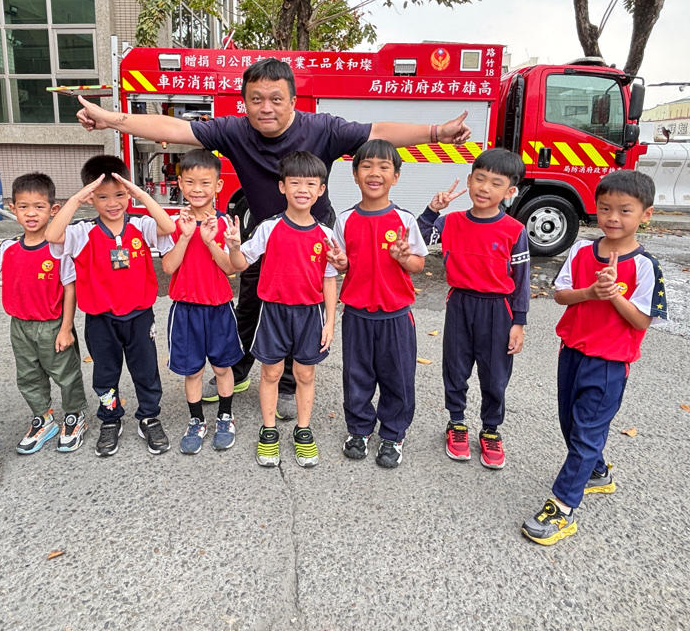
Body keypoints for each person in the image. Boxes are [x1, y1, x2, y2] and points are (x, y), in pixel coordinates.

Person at [74, 58, 471, 421]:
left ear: (293, 100)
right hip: (266, 232)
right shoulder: (235, 131)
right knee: (251, 300)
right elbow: (176, 128)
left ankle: (288, 383)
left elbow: (377, 132)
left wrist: (438, 131)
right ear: (244, 102)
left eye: (276, 99)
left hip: (312, 235)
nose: (266, 108)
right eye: (256, 99)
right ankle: (240, 368)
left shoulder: (322, 128)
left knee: (304, 306)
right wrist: (111, 119)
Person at [521, 169, 665, 546]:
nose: (613, 217)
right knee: (570, 424)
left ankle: (563, 507)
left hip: (610, 363)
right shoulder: (582, 250)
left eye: (625, 210)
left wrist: (614, 294)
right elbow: (560, 295)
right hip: (572, 352)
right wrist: (590, 292)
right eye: (604, 208)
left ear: (646, 214)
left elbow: (642, 320)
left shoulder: (646, 266)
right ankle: (597, 471)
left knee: (585, 431)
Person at [45, 155, 176, 458]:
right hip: (100, 319)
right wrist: (76, 199)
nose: (113, 203)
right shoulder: (82, 231)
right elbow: (52, 235)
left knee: (146, 371)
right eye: (102, 197)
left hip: (140, 316)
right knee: (105, 374)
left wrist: (140, 193)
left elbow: (168, 226)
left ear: (128, 192)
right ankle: (110, 419)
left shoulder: (141, 225)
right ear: (91, 197)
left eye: (119, 194)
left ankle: (149, 417)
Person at [224, 151, 338, 468]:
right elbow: (240, 263)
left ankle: (303, 430)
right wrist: (234, 246)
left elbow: (330, 279)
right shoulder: (268, 228)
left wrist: (330, 322)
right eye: (295, 182)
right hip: (272, 312)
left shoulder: (326, 235)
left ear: (321, 190)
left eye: (310, 184)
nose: (302, 189)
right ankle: (269, 430)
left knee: (305, 373)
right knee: (271, 372)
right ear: (282, 186)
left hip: (310, 314)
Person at [418, 149, 530, 469]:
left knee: (495, 376)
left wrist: (519, 322)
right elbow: (415, 240)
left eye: (495, 183)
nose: (484, 188)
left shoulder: (514, 230)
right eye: (479, 179)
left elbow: (521, 279)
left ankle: (491, 429)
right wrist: (431, 210)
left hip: (498, 309)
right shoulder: (450, 222)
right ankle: (456, 423)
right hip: (460, 303)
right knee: (455, 368)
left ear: (509, 191)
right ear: (468, 180)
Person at [0, 173, 88, 454]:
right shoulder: (8, 248)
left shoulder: (59, 250)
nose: (31, 213)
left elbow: (70, 289)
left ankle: (74, 415)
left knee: (66, 373)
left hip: (52, 324)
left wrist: (66, 328)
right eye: (23, 206)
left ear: (53, 209)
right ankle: (43, 418)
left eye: (38, 206)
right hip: (20, 325)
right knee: (28, 376)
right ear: (13, 208)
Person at [326, 139, 428, 469]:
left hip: (396, 316)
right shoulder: (345, 220)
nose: (374, 173)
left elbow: (418, 264)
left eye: (384, 167)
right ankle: (359, 429)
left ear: (395, 176)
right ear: (355, 174)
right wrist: (341, 263)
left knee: (398, 378)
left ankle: (393, 434)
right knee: (356, 376)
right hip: (356, 314)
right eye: (366, 166)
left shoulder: (404, 219)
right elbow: (342, 262)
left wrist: (404, 257)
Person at [159, 149, 243, 454]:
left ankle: (225, 417)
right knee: (192, 371)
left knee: (222, 367)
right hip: (185, 310)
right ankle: (196, 421)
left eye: (205, 183)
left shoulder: (225, 224)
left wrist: (211, 242)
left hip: (219, 307)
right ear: (180, 183)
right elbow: (168, 267)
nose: (197, 189)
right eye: (190, 182)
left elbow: (231, 268)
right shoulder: (174, 224)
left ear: (218, 185)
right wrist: (184, 237)